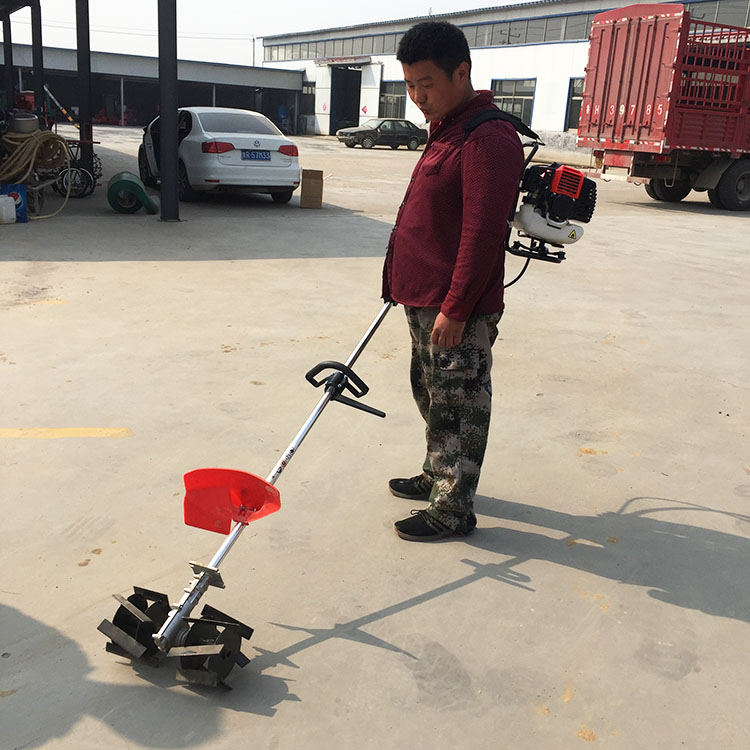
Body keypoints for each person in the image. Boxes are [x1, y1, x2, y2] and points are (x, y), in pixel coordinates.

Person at [382, 21, 525, 542]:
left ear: (461, 73)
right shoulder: (448, 128)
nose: (417, 97)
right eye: (409, 85)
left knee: (461, 402)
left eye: (427, 84)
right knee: (432, 392)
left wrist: (457, 306)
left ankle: (453, 509)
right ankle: (438, 474)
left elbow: (482, 233)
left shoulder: (487, 138)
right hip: (424, 297)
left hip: (453, 303)